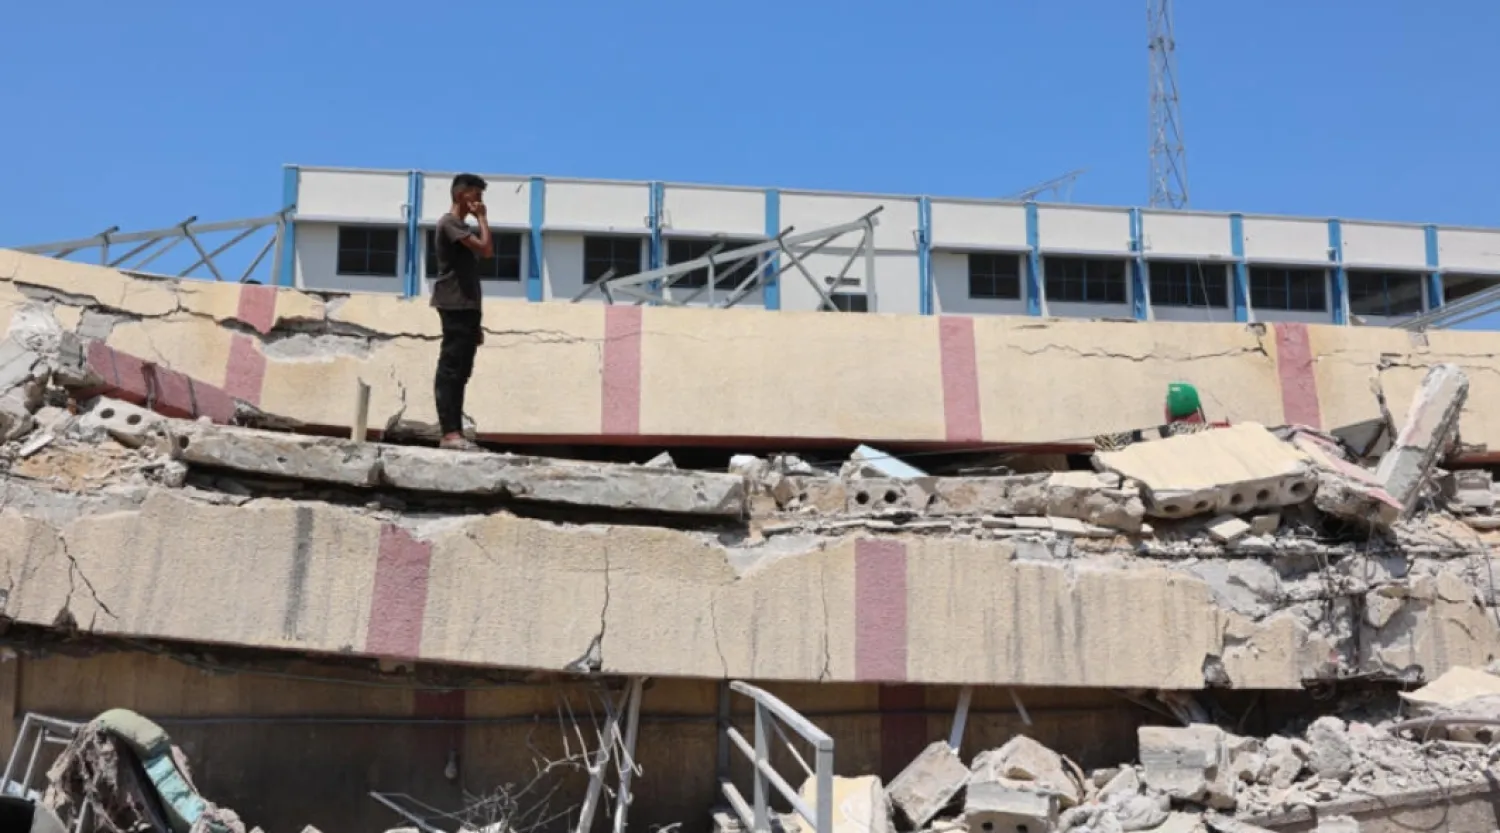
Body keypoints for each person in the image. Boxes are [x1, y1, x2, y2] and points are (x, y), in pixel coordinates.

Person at [431, 173, 493, 451]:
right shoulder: (450, 223)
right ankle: (450, 433)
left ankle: (455, 431)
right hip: (454, 303)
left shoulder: (460, 226)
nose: (478, 201)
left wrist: (476, 322)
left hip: (467, 307)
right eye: (475, 195)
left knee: (462, 371)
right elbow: (486, 249)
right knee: (451, 368)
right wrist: (483, 219)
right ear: (461, 194)